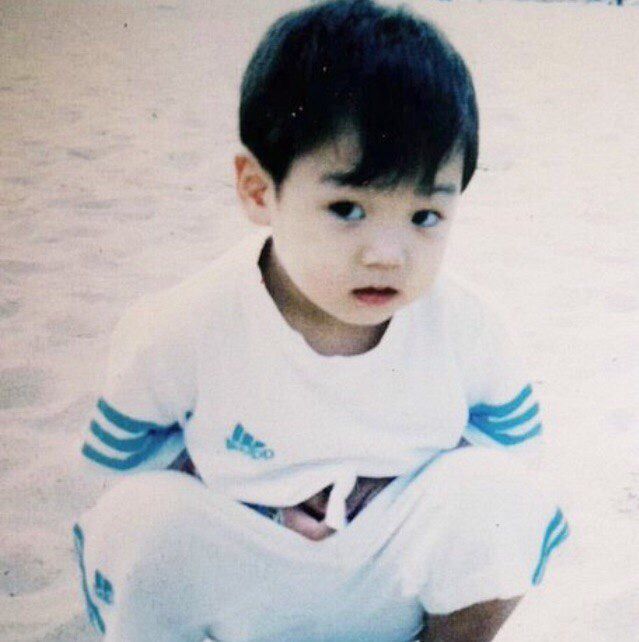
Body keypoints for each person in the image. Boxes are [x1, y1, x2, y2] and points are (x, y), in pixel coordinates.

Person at [73, 1, 568, 640]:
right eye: (347, 207)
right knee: (139, 524)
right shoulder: (186, 324)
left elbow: (514, 452)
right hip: (246, 579)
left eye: (424, 217)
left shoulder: (467, 328)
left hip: (388, 581)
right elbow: (116, 466)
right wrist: (234, 492)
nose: (387, 254)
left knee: (499, 500)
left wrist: (395, 485)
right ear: (259, 190)